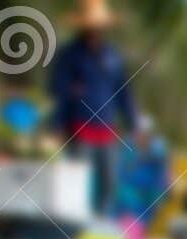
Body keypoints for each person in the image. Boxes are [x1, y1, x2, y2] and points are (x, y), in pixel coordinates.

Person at [48, 0, 137, 217]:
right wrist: (58, 123)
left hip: (107, 129)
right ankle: (78, 222)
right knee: (80, 180)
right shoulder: (70, 56)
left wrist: (133, 121)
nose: (94, 31)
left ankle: (102, 222)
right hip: (79, 128)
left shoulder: (113, 57)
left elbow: (123, 92)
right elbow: (58, 91)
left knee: (109, 182)